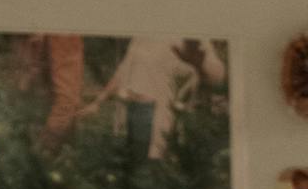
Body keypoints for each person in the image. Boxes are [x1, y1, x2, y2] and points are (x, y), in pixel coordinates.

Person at [83, 38, 223, 165]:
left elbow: (218, 76)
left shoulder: (189, 33)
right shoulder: (141, 36)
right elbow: (123, 70)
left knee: (151, 175)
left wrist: (200, 63)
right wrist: (98, 101)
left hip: (157, 122)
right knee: (129, 175)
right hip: (126, 120)